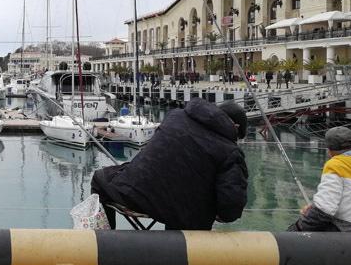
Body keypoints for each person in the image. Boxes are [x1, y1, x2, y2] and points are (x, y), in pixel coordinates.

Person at [91, 98, 248, 230]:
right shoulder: (231, 152)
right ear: (236, 127)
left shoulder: (175, 116)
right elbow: (230, 209)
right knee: (185, 208)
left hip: (134, 195)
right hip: (184, 218)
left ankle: (103, 244)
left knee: (99, 179)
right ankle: (176, 251)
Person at [288, 126, 351, 232]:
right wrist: (314, 206)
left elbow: (324, 210)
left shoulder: (335, 165)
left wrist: (296, 228)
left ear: (329, 151)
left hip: (349, 232)